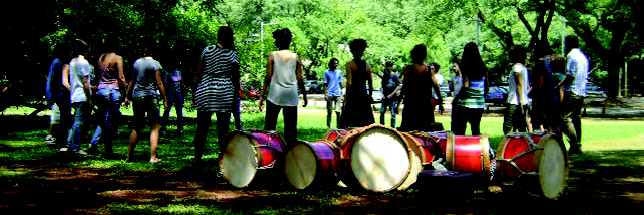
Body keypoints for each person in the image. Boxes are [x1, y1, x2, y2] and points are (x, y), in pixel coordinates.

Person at [193, 26, 241, 163]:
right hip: (224, 92)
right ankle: (223, 158)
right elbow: (236, 77)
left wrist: (195, 90)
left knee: (202, 126)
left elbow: (199, 72)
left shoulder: (208, 50)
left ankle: (197, 156)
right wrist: (238, 91)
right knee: (223, 128)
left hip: (206, 89)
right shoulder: (232, 54)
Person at [259, 28, 307, 145]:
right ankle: (290, 156)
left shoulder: (273, 55)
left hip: (275, 95)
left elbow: (268, 76)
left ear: (278, 41)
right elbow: (300, 78)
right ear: (290, 40)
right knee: (291, 130)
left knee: (269, 128)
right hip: (291, 96)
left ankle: (269, 153)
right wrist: (304, 95)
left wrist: (262, 94)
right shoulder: (296, 57)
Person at [126, 41, 168, 163]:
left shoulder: (137, 63)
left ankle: (129, 157)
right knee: (154, 127)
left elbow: (132, 81)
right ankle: (153, 157)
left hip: (137, 96)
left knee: (137, 127)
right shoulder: (155, 64)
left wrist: (127, 97)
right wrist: (165, 99)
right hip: (150, 97)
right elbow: (159, 83)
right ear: (153, 50)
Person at [87, 37, 126, 157]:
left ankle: (93, 144)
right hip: (112, 91)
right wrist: (125, 94)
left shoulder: (101, 58)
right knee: (110, 122)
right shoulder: (118, 58)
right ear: (116, 45)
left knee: (102, 120)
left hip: (101, 90)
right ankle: (108, 149)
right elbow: (121, 77)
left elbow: (100, 74)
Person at [399, 44, 443, 132]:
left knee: (408, 131)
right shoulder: (428, 69)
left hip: (411, 104)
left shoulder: (408, 69)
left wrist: (398, 102)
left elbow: (405, 86)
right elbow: (436, 86)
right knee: (424, 131)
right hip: (424, 105)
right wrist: (441, 101)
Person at [558, 36, 589, 155]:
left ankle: (575, 145)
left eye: (566, 43)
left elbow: (570, 76)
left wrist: (559, 85)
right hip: (581, 91)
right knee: (576, 118)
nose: (565, 45)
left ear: (570, 43)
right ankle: (577, 144)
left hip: (572, 90)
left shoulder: (571, 56)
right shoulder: (583, 57)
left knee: (565, 119)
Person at [452, 42, 488, 135]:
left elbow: (466, 85)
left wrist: (456, 99)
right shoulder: (483, 67)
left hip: (466, 103)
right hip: (479, 103)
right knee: (476, 130)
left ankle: (460, 149)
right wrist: (481, 96)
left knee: (460, 130)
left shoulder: (465, 66)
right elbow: (487, 86)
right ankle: (479, 148)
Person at [65, 39, 94, 155]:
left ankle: (69, 144)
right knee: (78, 122)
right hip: (82, 95)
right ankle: (76, 147)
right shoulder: (84, 63)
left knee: (76, 121)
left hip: (74, 94)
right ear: (86, 50)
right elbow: (86, 82)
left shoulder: (72, 62)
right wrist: (90, 98)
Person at [339, 39, 374, 129]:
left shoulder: (349, 64)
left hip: (353, 96)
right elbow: (371, 84)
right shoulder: (367, 65)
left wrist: (345, 100)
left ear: (352, 50)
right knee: (365, 124)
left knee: (350, 124)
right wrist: (370, 96)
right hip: (363, 95)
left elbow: (349, 84)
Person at [45, 43, 72, 149]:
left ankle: (61, 140)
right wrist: (50, 96)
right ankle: (62, 141)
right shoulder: (57, 63)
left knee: (64, 118)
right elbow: (51, 80)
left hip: (60, 93)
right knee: (65, 117)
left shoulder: (61, 62)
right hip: (61, 93)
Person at [503, 45, 531, 134]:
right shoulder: (524, 68)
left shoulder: (517, 68)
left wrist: (521, 103)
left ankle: (508, 146)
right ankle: (526, 145)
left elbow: (519, 85)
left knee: (507, 127)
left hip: (515, 101)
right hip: (523, 101)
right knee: (521, 127)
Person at [161, 63, 185, 134]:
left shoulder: (178, 73)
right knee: (167, 111)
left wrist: (182, 94)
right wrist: (165, 97)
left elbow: (181, 83)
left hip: (178, 94)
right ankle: (163, 128)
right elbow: (165, 85)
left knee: (179, 111)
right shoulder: (167, 74)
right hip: (170, 94)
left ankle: (180, 128)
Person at [378, 61, 401, 127]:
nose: (388, 67)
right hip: (385, 98)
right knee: (382, 112)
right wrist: (382, 94)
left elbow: (398, 86)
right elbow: (382, 86)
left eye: (389, 66)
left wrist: (392, 94)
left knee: (393, 114)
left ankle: (392, 128)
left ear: (391, 67)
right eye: (387, 66)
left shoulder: (395, 75)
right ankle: (381, 127)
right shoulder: (385, 76)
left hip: (393, 98)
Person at [324, 58, 343, 128]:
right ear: (331, 63)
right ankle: (328, 126)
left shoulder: (339, 72)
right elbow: (325, 84)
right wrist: (325, 94)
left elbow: (340, 83)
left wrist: (342, 94)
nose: (336, 65)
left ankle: (338, 126)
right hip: (330, 94)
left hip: (338, 94)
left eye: (337, 63)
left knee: (338, 111)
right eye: (335, 63)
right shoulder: (326, 72)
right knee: (329, 111)